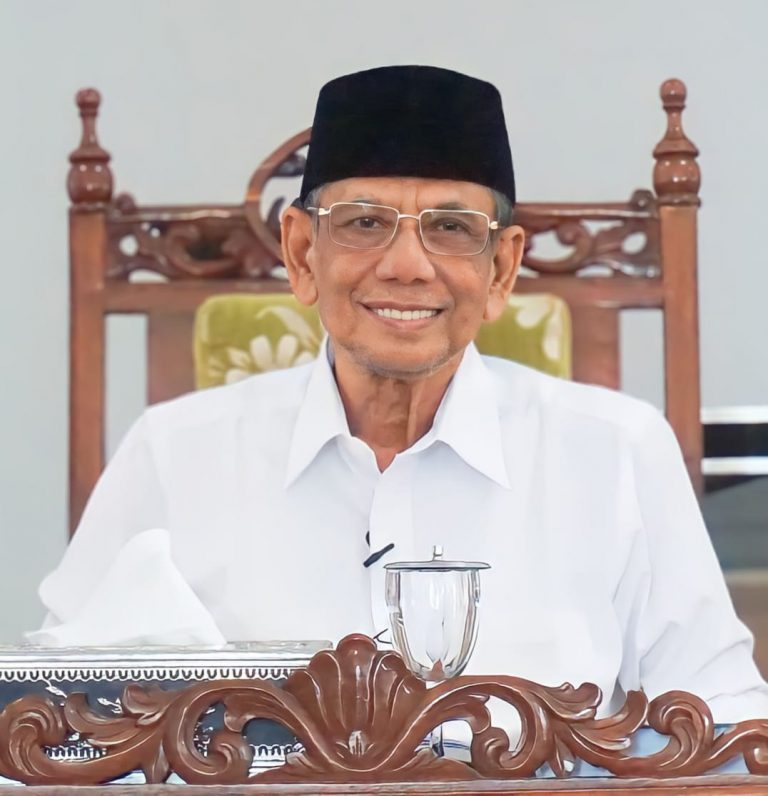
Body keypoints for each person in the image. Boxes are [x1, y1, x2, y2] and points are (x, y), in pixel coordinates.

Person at [35, 66, 768, 720]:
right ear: (302, 255)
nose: (408, 266)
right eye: (364, 224)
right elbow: (60, 714)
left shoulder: (617, 453)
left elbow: (723, 721)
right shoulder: (173, 454)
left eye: (450, 227)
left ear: (501, 270)